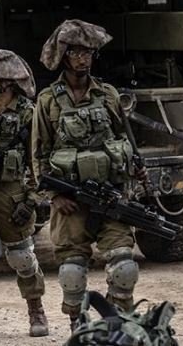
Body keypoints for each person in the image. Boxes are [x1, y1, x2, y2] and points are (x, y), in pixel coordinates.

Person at [32, 20, 146, 331]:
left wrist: (133, 174)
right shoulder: (48, 100)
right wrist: (54, 195)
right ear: (63, 57)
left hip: (110, 194)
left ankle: (115, 323)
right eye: (75, 53)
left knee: (124, 266)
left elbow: (125, 140)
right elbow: (38, 153)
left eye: (88, 53)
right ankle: (78, 326)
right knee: (72, 272)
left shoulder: (107, 95)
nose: (83, 59)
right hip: (70, 199)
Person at [0, 49, 49, 337]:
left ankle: (36, 309)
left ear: (7, 81)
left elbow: (37, 160)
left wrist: (31, 200)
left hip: (11, 192)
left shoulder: (27, 113)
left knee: (22, 256)